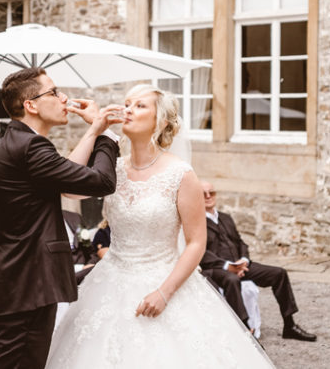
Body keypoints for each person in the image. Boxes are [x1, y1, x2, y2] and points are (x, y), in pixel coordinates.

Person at [46, 84, 273, 368]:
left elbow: (195, 243)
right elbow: (68, 189)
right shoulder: (112, 168)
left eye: (140, 105)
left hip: (163, 281)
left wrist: (164, 293)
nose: (129, 109)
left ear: (162, 120)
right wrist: (95, 129)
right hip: (109, 283)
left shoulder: (180, 174)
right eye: (127, 103)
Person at [0, 67, 122, 369]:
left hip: (18, 284)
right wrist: (108, 135)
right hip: (28, 286)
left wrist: (93, 130)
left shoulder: (17, 144)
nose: (64, 98)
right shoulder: (31, 147)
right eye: (54, 92)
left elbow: (69, 183)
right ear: (31, 105)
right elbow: (101, 182)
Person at [199, 180, 316, 341]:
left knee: (279, 274)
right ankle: (246, 330)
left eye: (211, 192)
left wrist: (244, 260)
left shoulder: (226, 217)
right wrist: (228, 266)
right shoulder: (196, 222)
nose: (207, 196)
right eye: (203, 194)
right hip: (219, 269)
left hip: (241, 265)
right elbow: (201, 252)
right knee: (232, 280)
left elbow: (240, 242)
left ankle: (289, 325)